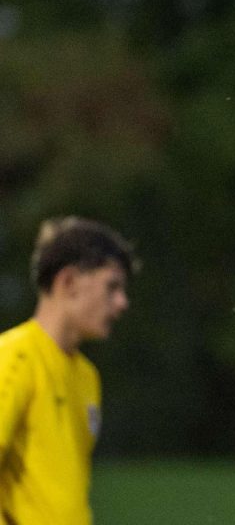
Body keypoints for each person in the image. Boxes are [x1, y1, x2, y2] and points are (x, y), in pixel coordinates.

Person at [0, 217, 136, 525]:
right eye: (112, 287)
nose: (122, 303)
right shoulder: (15, 358)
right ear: (69, 282)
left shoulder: (87, 376)